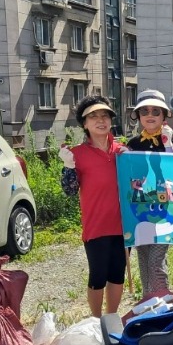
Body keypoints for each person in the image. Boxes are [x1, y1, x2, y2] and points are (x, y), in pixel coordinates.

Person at [59, 95, 127, 318]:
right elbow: (69, 190)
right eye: (94, 116)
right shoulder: (77, 154)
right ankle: (96, 321)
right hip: (96, 225)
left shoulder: (122, 152)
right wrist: (68, 167)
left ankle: (111, 318)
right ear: (84, 123)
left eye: (105, 115)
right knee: (98, 275)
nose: (101, 120)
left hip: (123, 224)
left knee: (118, 274)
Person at [126, 89, 173, 295]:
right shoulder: (133, 144)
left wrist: (168, 145)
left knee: (156, 261)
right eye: (145, 111)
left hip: (168, 209)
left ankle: (163, 300)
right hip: (141, 209)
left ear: (164, 115)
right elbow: (127, 177)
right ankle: (147, 299)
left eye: (155, 111)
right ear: (138, 116)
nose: (150, 115)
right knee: (143, 258)